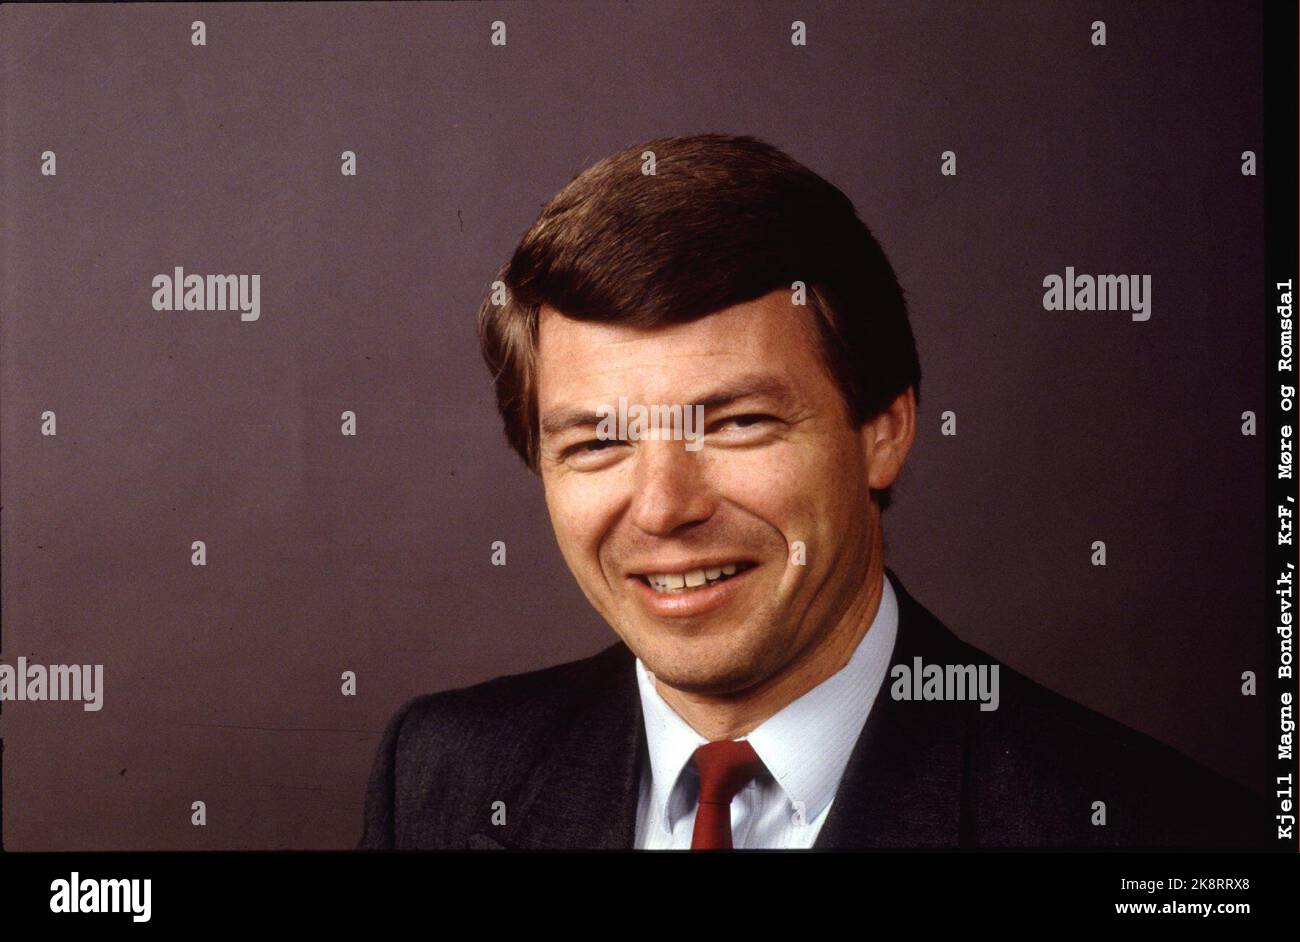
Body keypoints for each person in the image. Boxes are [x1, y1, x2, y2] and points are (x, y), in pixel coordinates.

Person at [359, 134, 1263, 849]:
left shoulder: (1154, 836)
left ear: (884, 430)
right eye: (598, 441)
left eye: (737, 422)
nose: (663, 506)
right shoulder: (440, 780)